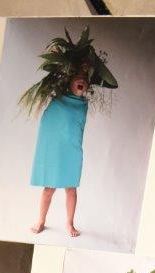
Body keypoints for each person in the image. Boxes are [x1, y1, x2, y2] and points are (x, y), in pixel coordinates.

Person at [19, 27, 117, 237]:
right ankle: (41, 220)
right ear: (69, 80)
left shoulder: (83, 104)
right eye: (78, 77)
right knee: (49, 188)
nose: (82, 80)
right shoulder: (58, 99)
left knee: (71, 188)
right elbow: (49, 125)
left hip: (71, 149)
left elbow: (77, 127)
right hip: (54, 147)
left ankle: (70, 224)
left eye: (85, 79)